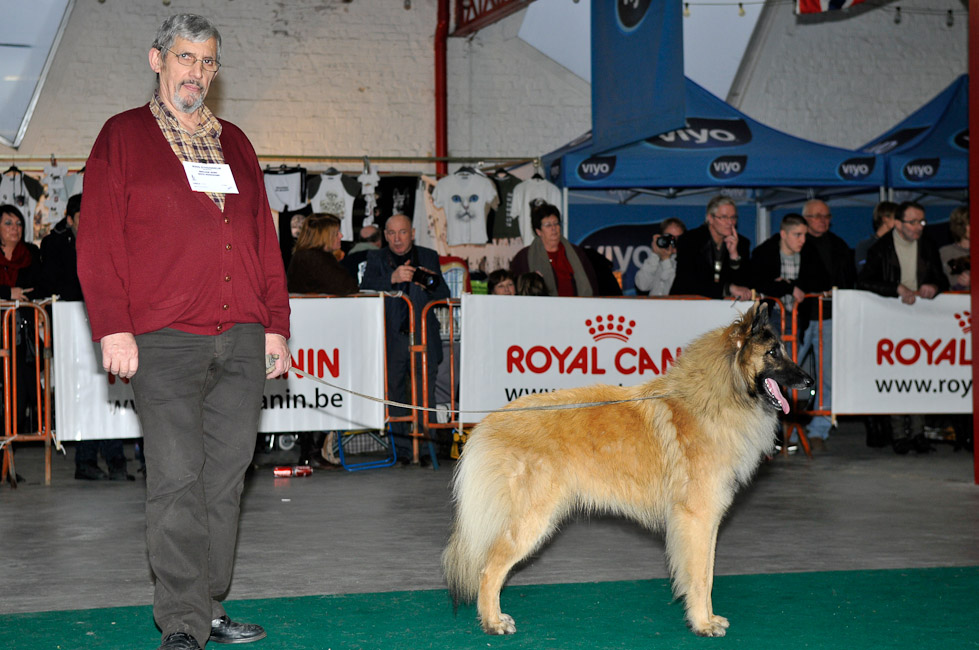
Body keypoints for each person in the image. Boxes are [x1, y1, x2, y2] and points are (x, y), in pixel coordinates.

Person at [75, 15, 291, 650]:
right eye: (185, 58)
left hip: (243, 336)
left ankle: (211, 602)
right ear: (157, 59)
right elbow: (98, 243)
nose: (197, 72)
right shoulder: (121, 137)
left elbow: (262, 240)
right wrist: (113, 327)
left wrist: (275, 324)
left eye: (208, 62)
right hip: (163, 341)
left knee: (226, 479)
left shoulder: (238, 143)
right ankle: (182, 622)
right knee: (176, 477)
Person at [40, 194, 133, 480]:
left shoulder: (110, 238)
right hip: (72, 327)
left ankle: (116, 459)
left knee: (112, 391)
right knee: (83, 394)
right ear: (69, 220)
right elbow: (53, 284)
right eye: (82, 217)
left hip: (104, 323)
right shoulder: (55, 244)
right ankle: (86, 460)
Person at [858, 201, 948, 454]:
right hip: (891, 319)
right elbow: (864, 282)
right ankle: (898, 434)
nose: (918, 227)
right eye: (913, 222)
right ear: (897, 223)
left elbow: (940, 278)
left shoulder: (928, 246)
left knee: (919, 375)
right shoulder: (880, 249)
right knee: (895, 376)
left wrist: (933, 285)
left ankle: (919, 432)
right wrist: (895, 289)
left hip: (921, 319)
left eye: (921, 222)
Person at [360, 213, 450, 464]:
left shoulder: (428, 255)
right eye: (391, 233)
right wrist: (392, 278)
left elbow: (444, 292)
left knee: (425, 396)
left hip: (423, 334)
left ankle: (425, 451)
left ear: (412, 233)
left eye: (402, 232)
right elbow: (364, 287)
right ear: (385, 235)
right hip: (392, 336)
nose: (397, 239)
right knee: (395, 393)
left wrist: (427, 285)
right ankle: (401, 452)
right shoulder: (376, 257)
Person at [794, 199, 856, 450]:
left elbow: (850, 281)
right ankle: (780, 430)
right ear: (805, 218)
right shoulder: (796, 242)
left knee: (827, 377)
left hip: (829, 319)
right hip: (798, 318)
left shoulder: (839, 245)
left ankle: (819, 430)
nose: (823, 219)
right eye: (817, 215)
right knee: (783, 375)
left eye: (826, 215)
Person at [0, 203, 44, 434]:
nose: (14, 228)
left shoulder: (31, 254)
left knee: (19, 400)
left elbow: (41, 287)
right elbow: (16, 292)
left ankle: (7, 464)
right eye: (8, 223)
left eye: (18, 223)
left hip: (21, 338)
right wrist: (8, 294)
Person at [750, 214, 830, 334]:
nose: (802, 240)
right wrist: (789, 288)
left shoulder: (809, 252)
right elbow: (757, 283)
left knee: (794, 351)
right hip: (771, 316)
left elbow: (822, 282)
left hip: (800, 316)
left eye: (805, 235)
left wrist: (791, 284)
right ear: (783, 234)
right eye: (797, 235)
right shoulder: (765, 252)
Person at [670, 195, 752, 299]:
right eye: (724, 217)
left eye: (733, 217)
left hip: (724, 309)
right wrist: (727, 288)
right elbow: (688, 281)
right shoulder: (689, 240)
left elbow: (744, 285)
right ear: (710, 218)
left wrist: (734, 257)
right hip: (687, 305)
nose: (730, 222)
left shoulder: (741, 243)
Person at [509, 202, 598, 297]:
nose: (554, 228)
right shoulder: (524, 257)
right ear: (538, 231)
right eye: (548, 225)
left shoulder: (577, 253)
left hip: (577, 308)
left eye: (556, 223)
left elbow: (592, 285)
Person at [287, 213, 359, 295]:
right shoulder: (314, 257)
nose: (341, 236)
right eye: (336, 233)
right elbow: (346, 287)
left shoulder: (307, 255)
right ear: (324, 236)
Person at [635, 217, 686, 296]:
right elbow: (642, 285)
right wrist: (654, 254)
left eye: (678, 238)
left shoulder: (688, 262)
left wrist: (666, 260)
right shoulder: (655, 260)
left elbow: (677, 291)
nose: (674, 242)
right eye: (670, 237)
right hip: (653, 307)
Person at [855, 201, 897, 270]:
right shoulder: (865, 245)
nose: (899, 223)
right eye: (896, 218)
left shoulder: (896, 244)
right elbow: (862, 270)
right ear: (885, 219)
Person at [939, 206, 969, 291]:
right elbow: (941, 285)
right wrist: (960, 285)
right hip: (953, 301)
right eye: (970, 224)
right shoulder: (945, 252)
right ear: (960, 226)